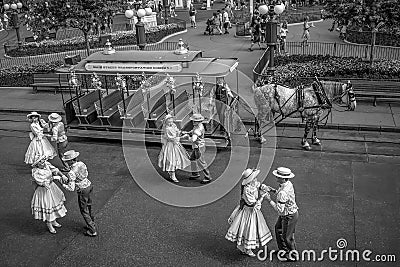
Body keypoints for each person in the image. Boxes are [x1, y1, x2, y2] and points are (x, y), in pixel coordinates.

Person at [225, 168, 273, 257]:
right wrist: (262, 197)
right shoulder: (247, 190)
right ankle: (247, 249)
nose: (256, 179)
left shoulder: (252, 185)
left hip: (251, 211)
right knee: (249, 228)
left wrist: (267, 188)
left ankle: (245, 247)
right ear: (250, 180)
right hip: (249, 211)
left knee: (248, 229)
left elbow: (259, 186)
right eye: (254, 178)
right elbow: (253, 204)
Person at [264, 167, 299, 262]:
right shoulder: (287, 184)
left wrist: (269, 200)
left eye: (278, 177)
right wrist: (273, 190)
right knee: (278, 229)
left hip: (288, 215)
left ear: (283, 178)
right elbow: (284, 197)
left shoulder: (283, 192)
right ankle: (283, 250)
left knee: (287, 236)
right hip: (289, 213)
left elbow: (279, 210)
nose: (276, 178)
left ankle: (292, 255)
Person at [62, 150, 98, 237]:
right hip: (88, 185)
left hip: (82, 189)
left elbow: (71, 188)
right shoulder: (81, 164)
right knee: (89, 205)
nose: (66, 163)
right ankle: (91, 222)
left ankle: (92, 230)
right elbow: (86, 173)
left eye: (66, 161)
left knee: (83, 210)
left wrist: (62, 184)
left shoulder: (71, 172)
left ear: (70, 161)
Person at [31, 155, 67, 234]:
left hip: (52, 187)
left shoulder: (46, 164)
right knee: (47, 205)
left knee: (54, 204)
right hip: (44, 191)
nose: (43, 162)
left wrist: (62, 175)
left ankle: (53, 221)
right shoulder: (36, 171)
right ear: (37, 163)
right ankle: (49, 223)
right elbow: (39, 181)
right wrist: (45, 183)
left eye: (43, 160)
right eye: (40, 161)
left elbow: (55, 170)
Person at [158, 114, 191, 183]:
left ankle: (172, 172)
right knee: (171, 160)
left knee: (176, 159)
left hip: (175, 145)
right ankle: (172, 175)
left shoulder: (173, 126)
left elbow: (177, 131)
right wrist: (183, 137)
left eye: (171, 121)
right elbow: (172, 138)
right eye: (169, 122)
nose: (171, 123)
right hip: (170, 145)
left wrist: (181, 132)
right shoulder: (167, 129)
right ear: (166, 122)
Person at [185, 114, 212, 184]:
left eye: (195, 121)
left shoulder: (198, 129)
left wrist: (187, 137)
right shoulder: (199, 126)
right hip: (197, 147)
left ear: (199, 121)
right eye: (193, 120)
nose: (193, 122)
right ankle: (195, 174)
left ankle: (207, 177)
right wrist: (189, 132)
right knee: (192, 159)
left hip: (198, 147)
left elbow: (193, 139)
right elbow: (193, 131)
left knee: (201, 163)